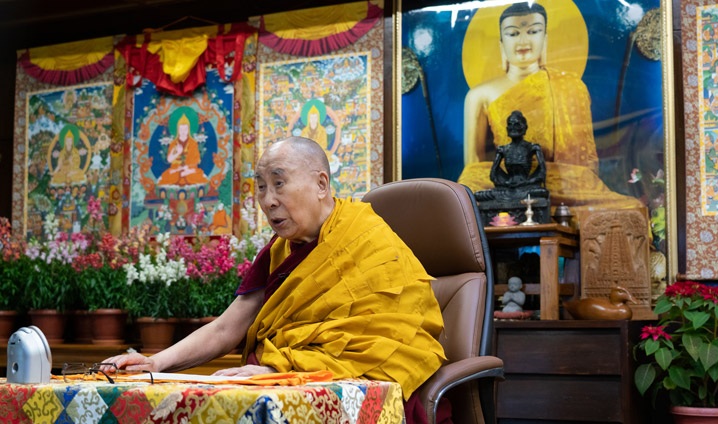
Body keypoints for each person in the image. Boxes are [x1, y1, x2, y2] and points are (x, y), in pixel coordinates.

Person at [103, 136, 447, 421]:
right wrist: (155, 362)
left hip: (349, 395)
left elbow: (388, 348)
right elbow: (227, 328)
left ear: (321, 184)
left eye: (279, 184)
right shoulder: (279, 252)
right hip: (278, 389)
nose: (268, 201)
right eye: (262, 188)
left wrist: (279, 374)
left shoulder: (370, 239)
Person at [459, 2, 643, 218]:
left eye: (533, 31)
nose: (523, 41)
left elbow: (583, 169)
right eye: (513, 33)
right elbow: (473, 168)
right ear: (501, 43)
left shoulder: (570, 87)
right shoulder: (479, 95)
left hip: (566, 184)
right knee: (464, 199)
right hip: (506, 188)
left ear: (544, 38)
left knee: (632, 211)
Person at [157, 113, 209, 186]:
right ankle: (183, 173)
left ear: (189, 130)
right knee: (167, 175)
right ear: (178, 130)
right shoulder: (173, 143)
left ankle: (186, 173)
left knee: (198, 173)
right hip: (176, 170)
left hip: (189, 170)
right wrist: (177, 152)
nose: (183, 131)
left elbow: (196, 160)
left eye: (185, 129)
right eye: (181, 129)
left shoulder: (193, 143)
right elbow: (169, 160)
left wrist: (188, 168)